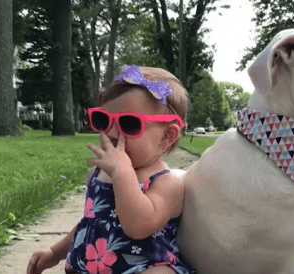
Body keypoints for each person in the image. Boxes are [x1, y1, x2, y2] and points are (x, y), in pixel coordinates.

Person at [26, 65, 193, 274]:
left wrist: (122, 174)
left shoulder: (166, 184)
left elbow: (138, 227)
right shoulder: (97, 175)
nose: (112, 133)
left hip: (140, 267)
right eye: (103, 120)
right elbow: (88, 225)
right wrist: (54, 253)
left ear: (167, 136)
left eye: (129, 124)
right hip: (90, 266)